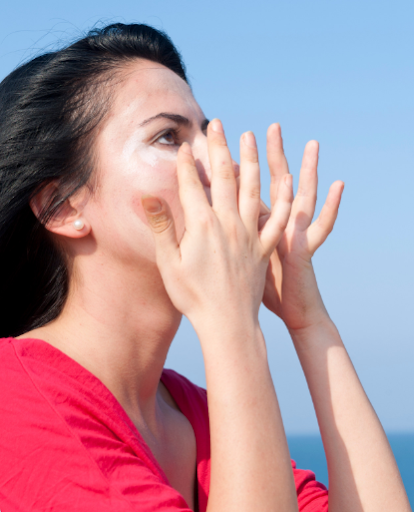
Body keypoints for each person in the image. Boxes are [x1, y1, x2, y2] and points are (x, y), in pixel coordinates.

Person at [0, 23, 410, 512]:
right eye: (168, 136)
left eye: (210, 135)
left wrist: (309, 320)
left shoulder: (200, 415)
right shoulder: (17, 400)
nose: (220, 166)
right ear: (62, 206)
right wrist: (231, 320)